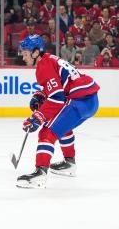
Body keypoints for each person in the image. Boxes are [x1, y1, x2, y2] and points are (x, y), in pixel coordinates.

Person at [16, 34, 100, 188]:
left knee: (47, 132)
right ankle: (69, 164)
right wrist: (41, 94)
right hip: (89, 100)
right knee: (60, 126)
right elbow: (57, 86)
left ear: (35, 52)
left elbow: (56, 98)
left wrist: (37, 117)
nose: (23, 57)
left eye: (26, 53)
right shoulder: (49, 58)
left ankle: (40, 174)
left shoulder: (43, 66)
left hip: (79, 101)